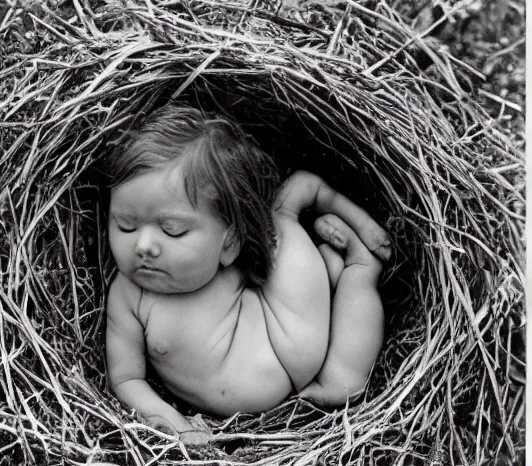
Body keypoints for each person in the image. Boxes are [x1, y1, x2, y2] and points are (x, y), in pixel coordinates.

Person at [105, 106, 391, 444]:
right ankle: (330, 267)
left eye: (173, 231)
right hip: (282, 333)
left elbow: (258, 249)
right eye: (125, 226)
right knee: (286, 244)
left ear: (229, 244)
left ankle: (359, 267)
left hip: (288, 335)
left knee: (345, 381)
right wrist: (174, 422)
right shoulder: (127, 295)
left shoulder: (229, 261)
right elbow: (125, 379)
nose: (144, 245)